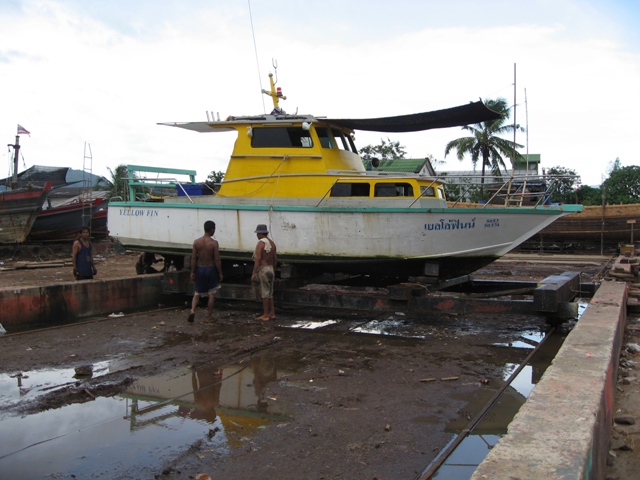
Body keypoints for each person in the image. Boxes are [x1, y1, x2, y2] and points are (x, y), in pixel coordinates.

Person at [188, 220, 223, 323]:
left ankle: (193, 311)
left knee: (197, 293)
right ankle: (208, 317)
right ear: (212, 230)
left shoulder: (196, 242)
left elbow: (193, 258)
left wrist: (192, 271)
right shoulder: (214, 243)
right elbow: (217, 259)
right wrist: (220, 272)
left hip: (200, 268)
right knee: (211, 294)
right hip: (210, 269)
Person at [251, 224, 277, 321]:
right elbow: (275, 258)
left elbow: (258, 259)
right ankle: (272, 313)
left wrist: (254, 273)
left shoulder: (261, 243)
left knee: (265, 293)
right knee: (270, 293)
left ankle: (265, 314)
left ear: (261, 233)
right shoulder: (272, 243)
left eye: (257, 233)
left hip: (264, 268)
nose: (257, 235)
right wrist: (273, 269)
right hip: (270, 268)